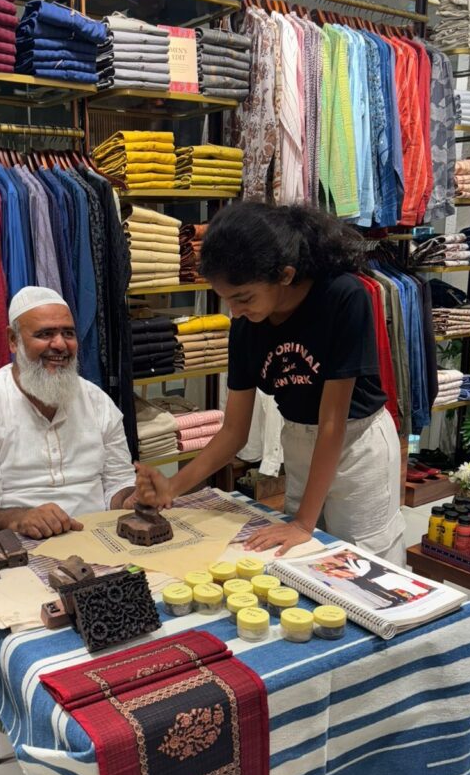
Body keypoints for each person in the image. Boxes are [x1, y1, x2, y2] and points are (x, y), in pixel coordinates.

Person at [136, 202, 406, 563]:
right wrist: (172, 487)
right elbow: (233, 431)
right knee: (303, 561)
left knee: (363, 560)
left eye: (243, 298)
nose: (235, 311)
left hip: (356, 446)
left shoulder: (342, 296)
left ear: (285, 275)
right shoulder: (246, 325)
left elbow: (333, 423)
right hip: (300, 442)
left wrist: (303, 522)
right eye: (226, 300)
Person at [0, 287, 136, 541]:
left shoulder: (98, 402)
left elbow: (118, 484)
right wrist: (17, 519)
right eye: (45, 334)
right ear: (13, 340)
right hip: (8, 548)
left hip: (95, 541)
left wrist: (132, 498)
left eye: (68, 333)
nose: (60, 344)